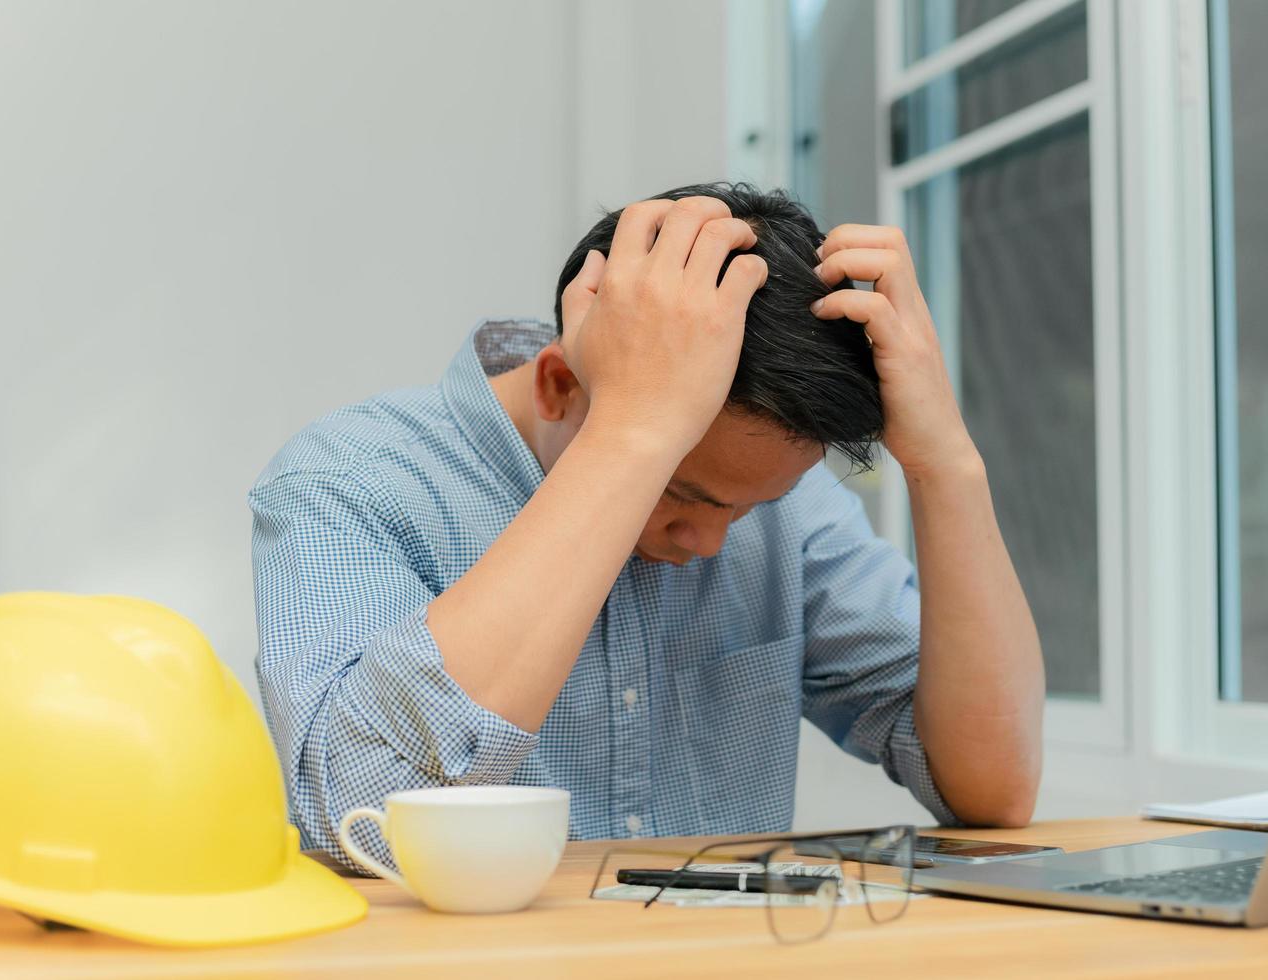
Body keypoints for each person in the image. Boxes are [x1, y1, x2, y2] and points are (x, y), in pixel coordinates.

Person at [250, 182, 1044, 868]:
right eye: (683, 493)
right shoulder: (348, 482)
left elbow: (992, 786)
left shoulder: (778, 497)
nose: (712, 543)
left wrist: (948, 467)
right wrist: (632, 436)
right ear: (561, 383)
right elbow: (355, 823)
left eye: (748, 508)